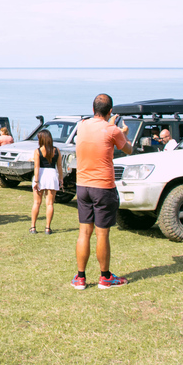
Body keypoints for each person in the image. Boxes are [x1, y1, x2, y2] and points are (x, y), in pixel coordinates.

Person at [72, 94, 133, 290]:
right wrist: (122, 132)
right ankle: (105, 277)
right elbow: (128, 149)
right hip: (103, 186)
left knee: (84, 232)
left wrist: (109, 122)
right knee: (102, 234)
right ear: (110, 111)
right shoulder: (112, 129)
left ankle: (80, 277)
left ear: (92, 110)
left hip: (82, 185)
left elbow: (94, 127)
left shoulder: (82, 125)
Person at [30, 130, 63, 235]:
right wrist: (61, 179)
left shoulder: (38, 151)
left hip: (41, 175)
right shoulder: (56, 150)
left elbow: (36, 166)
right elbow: (59, 166)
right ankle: (48, 228)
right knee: (50, 203)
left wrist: (36, 180)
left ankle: (33, 226)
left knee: (37, 202)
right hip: (52, 175)